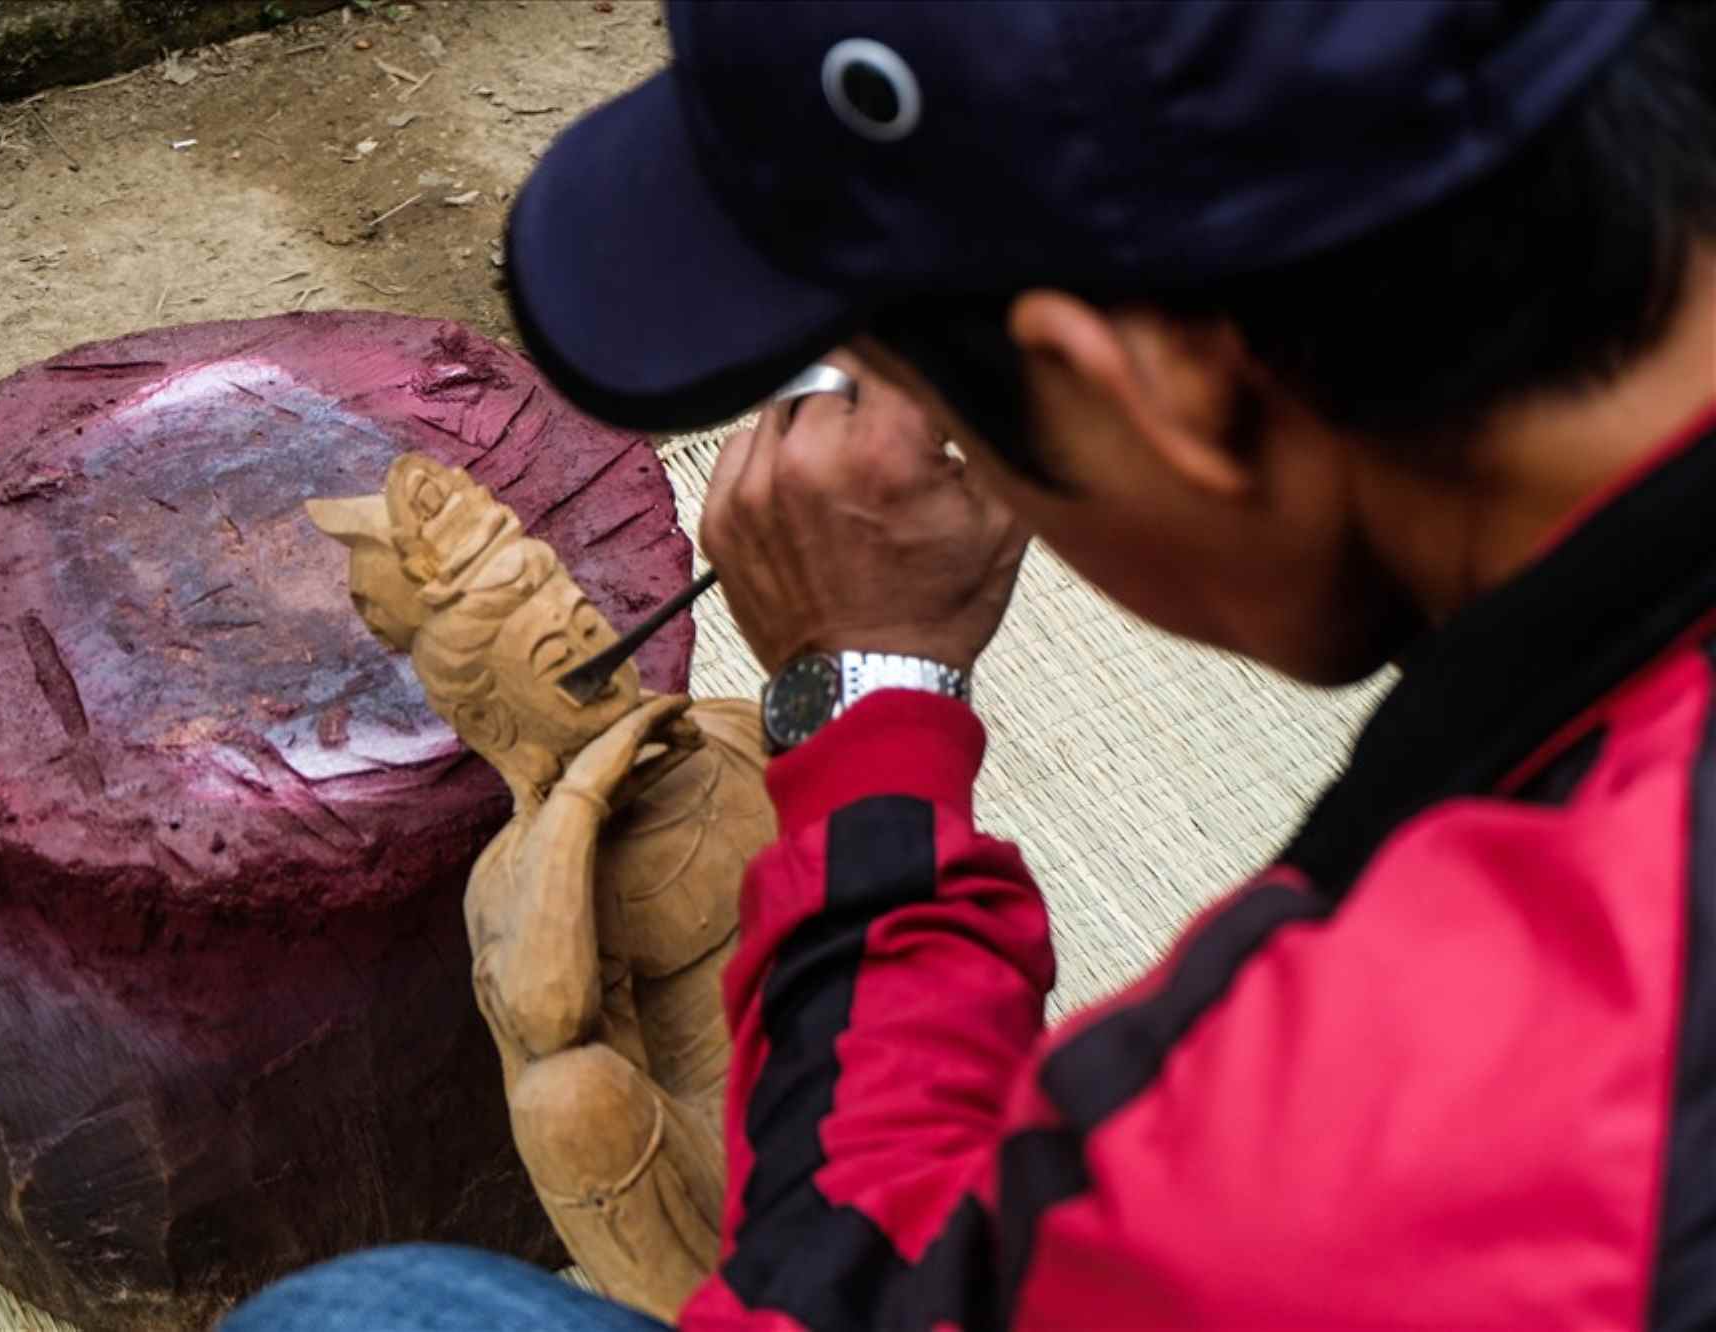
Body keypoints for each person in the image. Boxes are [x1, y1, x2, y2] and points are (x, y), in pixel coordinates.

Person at [229, 1, 1715, 1328]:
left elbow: (855, 1292)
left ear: (1159, 389)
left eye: (935, 400)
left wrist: (866, 694)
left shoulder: (1356, 1157)